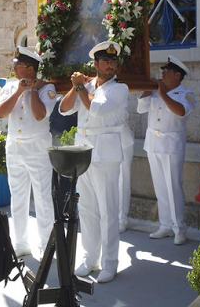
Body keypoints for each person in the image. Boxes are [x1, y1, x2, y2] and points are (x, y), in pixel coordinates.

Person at [60, 41, 130, 283]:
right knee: (88, 209)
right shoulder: (86, 86)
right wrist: (76, 86)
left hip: (106, 154)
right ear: (96, 64)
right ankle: (91, 259)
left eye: (113, 61)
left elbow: (97, 109)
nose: (110, 65)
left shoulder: (119, 89)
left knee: (108, 211)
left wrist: (80, 86)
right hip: (84, 152)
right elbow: (64, 109)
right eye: (105, 61)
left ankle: (110, 263)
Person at [0, 45, 56, 259]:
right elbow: (0, 112)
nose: (14, 67)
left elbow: (40, 115)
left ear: (30, 68)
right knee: (18, 197)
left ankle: (46, 242)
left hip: (37, 148)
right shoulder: (10, 87)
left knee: (42, 196)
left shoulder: (47, 89)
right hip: (14, 147)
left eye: (18, 65)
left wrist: (31, 91)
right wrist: (20, 90)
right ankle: (21, 243)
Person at [137, 55, 195, 245]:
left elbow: (180, 111)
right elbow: (140, 109)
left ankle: (179, 228)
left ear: (177, 75)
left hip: (171, 145)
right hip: (153, 142)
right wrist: (147, 90)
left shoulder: (186, 93)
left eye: (167, 71)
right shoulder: (156, 91)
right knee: (160, 186)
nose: (162, 74)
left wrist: (162, 93)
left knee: (173, 186)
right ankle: (165, 225)